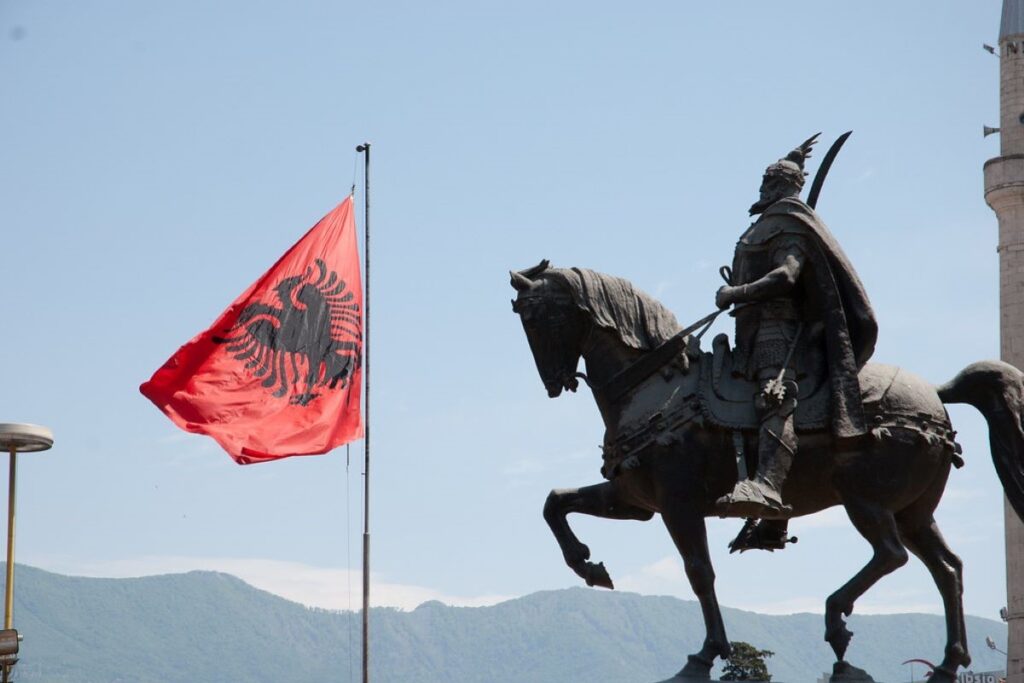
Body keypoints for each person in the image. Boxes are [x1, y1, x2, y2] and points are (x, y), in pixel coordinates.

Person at [713, 135, 877, 522]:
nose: (761, 188)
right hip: (750, 333)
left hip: (779, 331)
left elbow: (787, 276)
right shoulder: (769, 222)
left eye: (768, 182)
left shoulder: (788, 224)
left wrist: (736, 292)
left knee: (774, 398)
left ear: (780, 186)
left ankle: (768, 487)